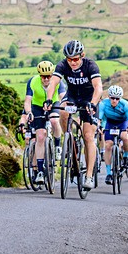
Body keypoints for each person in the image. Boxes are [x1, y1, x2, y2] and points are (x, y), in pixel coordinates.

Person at [44, 39, 102, 190]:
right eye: (70, 59)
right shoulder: (62, 65)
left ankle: (88, 176)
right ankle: (68, 138)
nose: (73, 62)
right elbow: (54, 83)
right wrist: (49, 99)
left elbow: (98, 87)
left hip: (89, 99)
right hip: (72, 97)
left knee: (88, 136)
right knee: (62, 111)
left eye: (76, 59)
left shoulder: (90, 65)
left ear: (82, 55)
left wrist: (94, 103)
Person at [18, 60, 65, 185]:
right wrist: (29, 112)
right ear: (39, 75)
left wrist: (66, 108)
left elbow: (63, 97)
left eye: (49, 76)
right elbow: (27, 101)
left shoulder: (58, 81)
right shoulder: (33, 82)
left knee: (55, 120)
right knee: (40, 137)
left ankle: (57, 145)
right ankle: (39, 171)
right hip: (37, 106)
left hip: (53, 104)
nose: (46, 79)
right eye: (43, 76)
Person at [98, 85, 128, 186]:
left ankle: (126, 157)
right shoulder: (103, 104)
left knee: (124, 136)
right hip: (110, 123)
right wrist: (99, 126)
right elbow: (99, 119)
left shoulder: (125, 105)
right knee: (108, 145)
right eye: (112, 98)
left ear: (120, 98)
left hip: (122, 122)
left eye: (117, 98)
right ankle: (109, 173)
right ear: (109, 97)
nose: (114, 100)